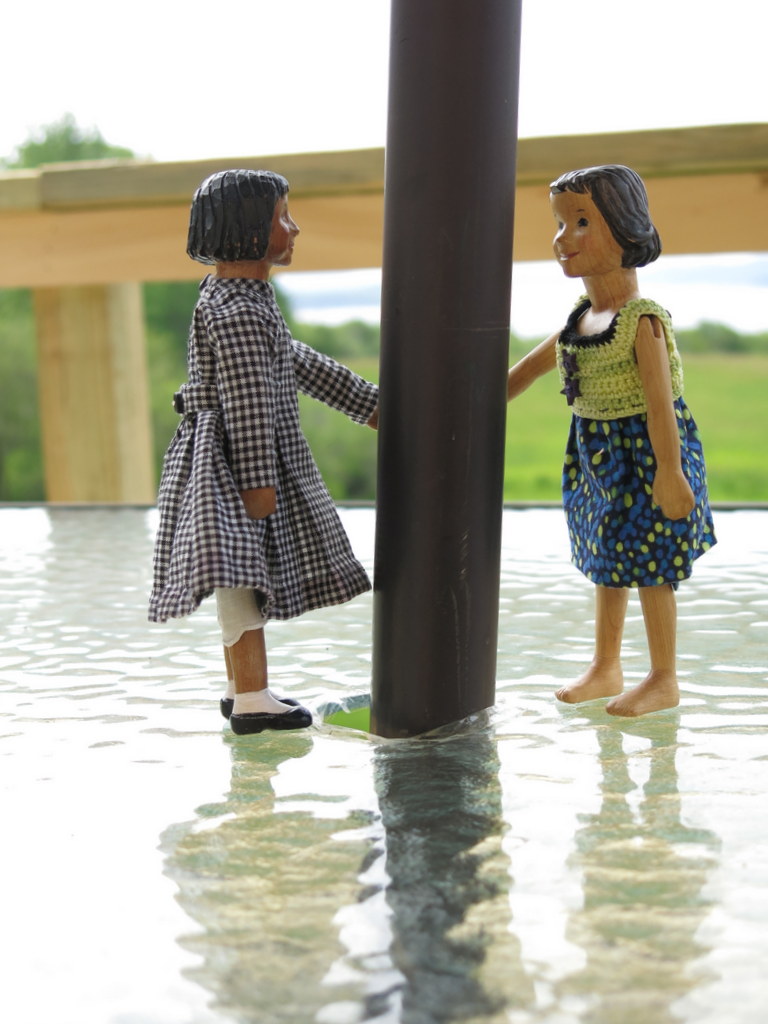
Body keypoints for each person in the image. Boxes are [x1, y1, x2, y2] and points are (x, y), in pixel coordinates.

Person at [149, 169, 379, 735]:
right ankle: (252, 697)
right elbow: (249, 401)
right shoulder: (242, 310)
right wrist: (257, 484)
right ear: (249, 229)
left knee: (238, 577)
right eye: (282, 217)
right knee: (242, 582)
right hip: (231, 464)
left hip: (219, 456)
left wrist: (368, 404)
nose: (293, 229)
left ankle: (240, 688)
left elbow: (293, 360)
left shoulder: (236, 298)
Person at [506, 164, 716, 717]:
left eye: (581, 222)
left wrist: (670, 472)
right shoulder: (579, 320)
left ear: (626, 230)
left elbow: (660, 404)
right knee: (606, 556)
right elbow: (521, 376)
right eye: (560, 223)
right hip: (596, 456)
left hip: (646, 455)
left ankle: (663, 677)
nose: (563, 238)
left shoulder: (641, 322)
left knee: (652, 563)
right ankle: (606, 665)